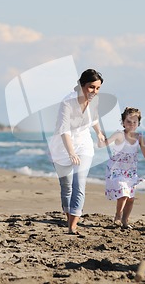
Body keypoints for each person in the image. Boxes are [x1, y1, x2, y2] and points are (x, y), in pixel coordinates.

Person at [49, 69, 106, 235]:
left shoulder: (94, 100)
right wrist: (71, 152)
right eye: (91, 87)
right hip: (62, 146)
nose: (95, 91)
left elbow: (93, 118)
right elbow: (63, 130)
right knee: (66, 186)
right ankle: (69, 216)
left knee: (79, 183)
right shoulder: (67, 102)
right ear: (82, 85)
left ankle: (72, 225)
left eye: (98, 88)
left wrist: (99, 133)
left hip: (83, 144)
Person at [99, 107, 145, 229]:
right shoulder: (119, 134)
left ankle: (125, 221)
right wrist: (100, 135)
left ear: (138, 123)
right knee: (123, 193)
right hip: (116, 169)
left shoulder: (139, 137)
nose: (132, 124)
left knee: (130, 199)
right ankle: (118, 216)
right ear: (123, 122)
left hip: (131, 171)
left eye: (135, 122)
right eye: (128, 121)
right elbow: (104, 143)